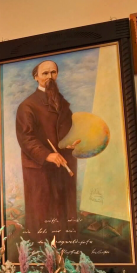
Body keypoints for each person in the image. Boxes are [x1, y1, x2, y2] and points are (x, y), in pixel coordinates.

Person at [15, 60, 81, 241]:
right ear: (36, 77)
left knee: (64, 208)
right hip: (40, 167)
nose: (49, 77)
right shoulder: (27, 106)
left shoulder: (62, 103)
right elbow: (26, 138)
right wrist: (47, 155)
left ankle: (66, 245)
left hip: (63, 163)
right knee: (42, 211)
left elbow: (67, 131)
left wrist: (69, 143)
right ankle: (40, 248)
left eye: (53, 72)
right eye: (45, 73)